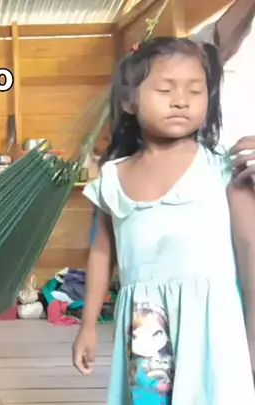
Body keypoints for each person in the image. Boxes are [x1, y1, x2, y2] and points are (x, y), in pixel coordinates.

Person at [70, 33, 255, 404]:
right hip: (145, 326)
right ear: (129, 101)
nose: (181, 100)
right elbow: (102, 254)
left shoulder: (223, 169)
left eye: (195, 90)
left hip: (213, 325)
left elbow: (250, 250)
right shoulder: (112, 178)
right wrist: (87, 325)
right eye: (165, 89)